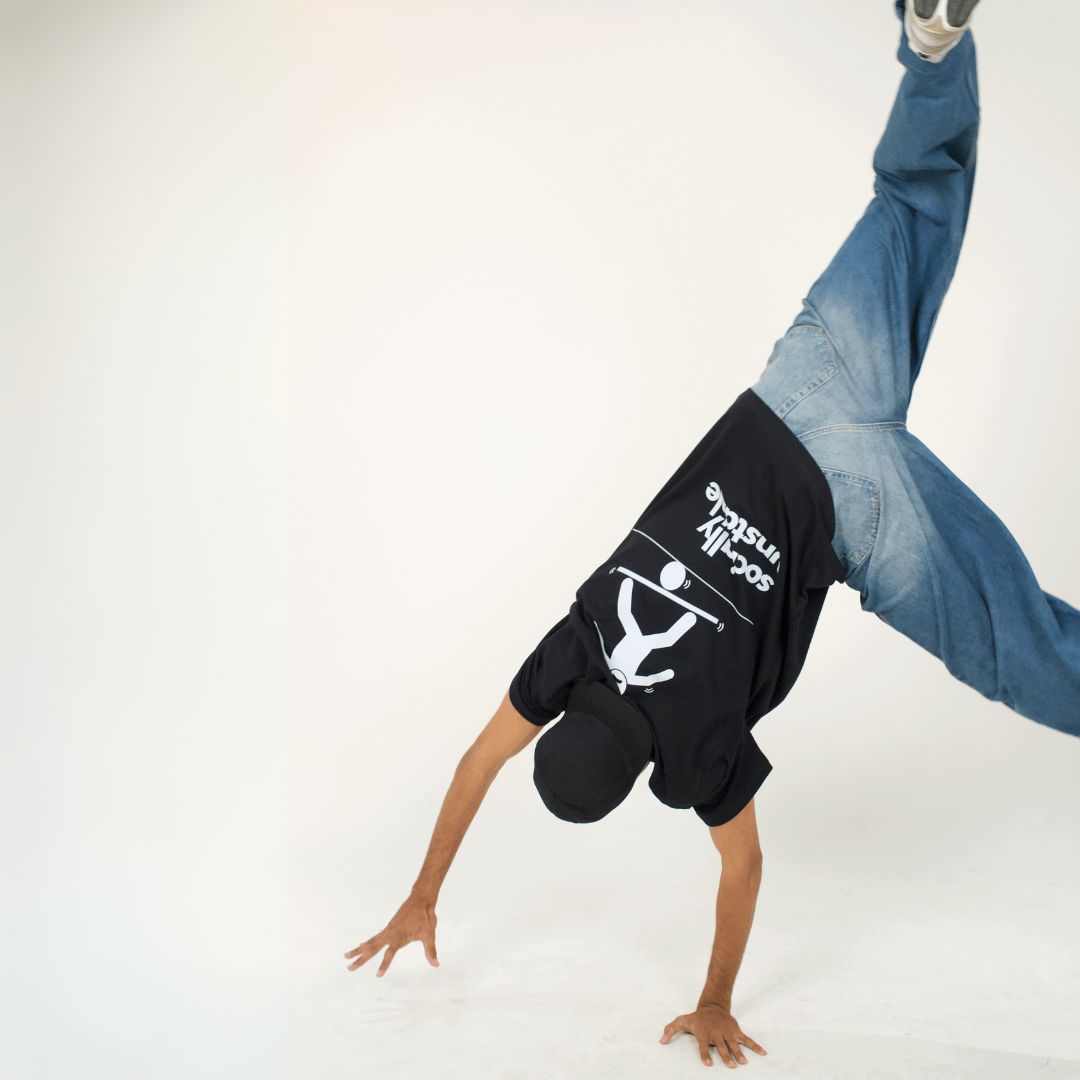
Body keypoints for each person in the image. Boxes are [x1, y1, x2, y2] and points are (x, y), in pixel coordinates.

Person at [347, 0, 1078, 1068]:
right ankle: (933, 47)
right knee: (913, 201)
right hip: (802, 381)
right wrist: (420, 891)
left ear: (642, 776)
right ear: (565, 715)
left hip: (859, 512)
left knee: (1026, 651)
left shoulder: (693, 751)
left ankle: (935, 49)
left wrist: (715, 1001)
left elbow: (742, 871)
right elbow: (476, 763)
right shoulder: (572, 647)